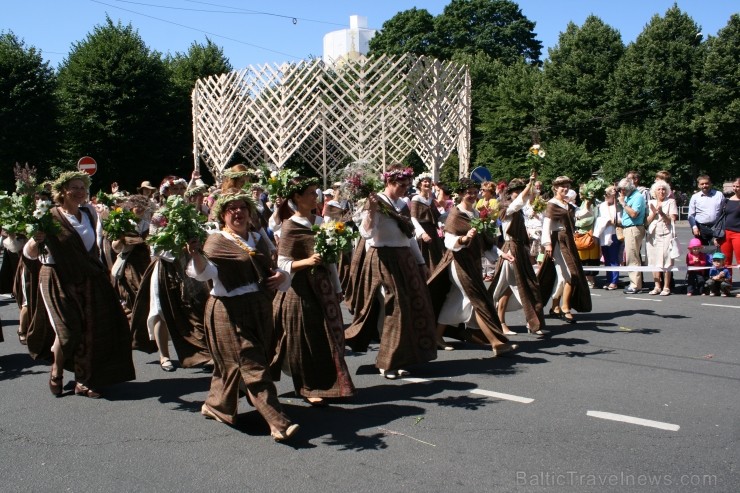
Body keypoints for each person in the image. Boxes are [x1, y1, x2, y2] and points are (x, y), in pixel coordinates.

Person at [186, 190, 299, 440]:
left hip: (259, 307)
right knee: (251, 363)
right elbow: (205, 274)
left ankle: (216, 405)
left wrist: (282, 276)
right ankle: (277, 421)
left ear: (250, 212)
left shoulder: (259, 238)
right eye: (231, 209)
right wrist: (195, 255)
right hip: (228, 310)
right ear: (222, 215)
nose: (237, 212)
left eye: (242, 208)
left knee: (242, 362)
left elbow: (275, 267)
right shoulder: (216, 240)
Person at [23, 171, 135, 398]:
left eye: (82, 187)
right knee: (68, 330)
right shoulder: (49, 216)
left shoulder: (90, 213)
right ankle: (56, 370)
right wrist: (37, 238)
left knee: (90, 330)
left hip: (88, 277)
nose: (79, 192)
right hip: (56, 277)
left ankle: (84, 380)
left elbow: (98, 247)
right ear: (62, 191)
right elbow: (29, 253)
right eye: (74, 187)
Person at [345, 165, 437, 380]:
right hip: (383, 259)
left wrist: (421, 263)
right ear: (389, 182)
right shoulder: (376, 201)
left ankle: (400, 357)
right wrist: (373, 210)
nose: (406, 189)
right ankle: (388, 361)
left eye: (407, 185)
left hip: (404, 259)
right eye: (402, 185)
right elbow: (367, 234)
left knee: (408, 308)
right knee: (394, 308)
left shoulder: (402, 204)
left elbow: (409, 236)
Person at [271, 177, 355, 406]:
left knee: (329, 336)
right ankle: (307, 387)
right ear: (296, 198)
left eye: (315, 192)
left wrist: (338, 288)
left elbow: (330, 262)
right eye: (309, 192)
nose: (314, 196)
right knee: (304, 338)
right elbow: (283, 264)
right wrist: (307, 261)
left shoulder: (322, 222)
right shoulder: (289, 226)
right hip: (301, 290)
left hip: (324, 287)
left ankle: (330, 383)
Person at [427, 178, 518, 353]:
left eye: (475, 192)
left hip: (473, 263)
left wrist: (501, 253)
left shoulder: (476, 214)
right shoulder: (455, 214)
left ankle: (437, 336)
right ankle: (496, 343)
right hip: (459, 264)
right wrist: (464, 239)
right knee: (477, 300)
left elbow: (484, 242)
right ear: (460, 194)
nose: (472, 195)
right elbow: (449, 240)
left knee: (454, 301)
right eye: (468, 192)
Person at [130, 176, 211, 372]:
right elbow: (155, 246)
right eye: (175, 190)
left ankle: (202, 353)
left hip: (188, 265)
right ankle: (164, 355)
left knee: (198, 305)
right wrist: (177, 248)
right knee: (159, 311)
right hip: (165, 267)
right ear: (166, 193)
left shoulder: (188, 213)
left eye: (181, 190)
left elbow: (201, 234)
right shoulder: (159, 215)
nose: (179, 193)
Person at [489, 174, 546, 336]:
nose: (519, 193)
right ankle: (528, 321)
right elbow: (519, 202)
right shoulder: (506, 208)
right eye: (516, 191)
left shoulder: (519, 210)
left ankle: (505, 321)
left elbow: (526, 202)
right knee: (518, 287)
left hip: (519, 250)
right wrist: (530, 184)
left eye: (520, 190)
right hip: (510, 251)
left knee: (508, 288)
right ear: (509, 192)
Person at [538, 176, 592, 323]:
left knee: (563, 277)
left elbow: (582, 215)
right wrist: (547, 243)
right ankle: (565, 307)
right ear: (555, 188)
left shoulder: (568, 204)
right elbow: (547, 224)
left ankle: (556, 306)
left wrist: (588, 201)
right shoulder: (552, 204)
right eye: (562, 186)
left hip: (568, 240)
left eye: (567, 186)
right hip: (558, 241)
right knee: (570, 274)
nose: (565, 188)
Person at [110, 194, 153, 320]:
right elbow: (115, 247)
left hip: (146, 263)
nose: (139, 209)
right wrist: (122, 239)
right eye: (136, 206)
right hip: (131, 264)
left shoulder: (148, 224)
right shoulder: (124, 223)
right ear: (131, 207)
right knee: (133, 294)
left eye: (142, 206)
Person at [645, 180, 678, 296]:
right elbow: (647, 221)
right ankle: (657, 286)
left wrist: (662, 213)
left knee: (666, 261)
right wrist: (654, 213)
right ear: (655, 191)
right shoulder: (651, 202)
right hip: (653, 235)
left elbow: (672, 219)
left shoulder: (671, 202)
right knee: (654, 261)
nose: (661, 191)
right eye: (659, 189)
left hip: (666, 233)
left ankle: (666, 287)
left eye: (663, 189)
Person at [410, 172, 445, 276]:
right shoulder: (416, 199)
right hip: (423, 231)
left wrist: (451, 213)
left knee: (436, 256)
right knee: (424, 257)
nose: (427, 183)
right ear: (420, 184)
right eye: (425, 181)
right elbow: (413, 218)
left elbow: (438, 216)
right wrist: (422, 233)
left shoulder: (430, 200)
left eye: (429, 181)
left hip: (432, 232)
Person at [617, 177, 647, 294]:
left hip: (634, 228)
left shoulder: (637, 197)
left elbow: (634, 213)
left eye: (622, 189)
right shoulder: (629, 196)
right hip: (628, 228)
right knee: (631, 256)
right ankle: (634, 283)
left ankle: (635, 285)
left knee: (632, 257)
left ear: (629, 188)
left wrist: (623, 203)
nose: (621, 191)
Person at [575, 183, 601, 289]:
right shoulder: (583, 203)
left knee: (589, 259)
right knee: (582, 258)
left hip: (589, 235)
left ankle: (591, 280)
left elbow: (590, 219)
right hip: (582, 234)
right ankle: (586, 280)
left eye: (581, 191)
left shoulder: (591, 204)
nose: (579, 193)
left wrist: (577, 222)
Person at [688, 175, 726, 246]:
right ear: (699, 185)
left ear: (710, 183)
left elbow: (724, 212)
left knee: (716, 252)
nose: (704, 185)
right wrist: (694, 227)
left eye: (706, 183)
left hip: (716, 228)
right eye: (702, 184)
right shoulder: (695, 197)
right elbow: (691, 215)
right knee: (702, 252)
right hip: (701, 228)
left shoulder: (719, 195)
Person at [596, 186, 622, 290]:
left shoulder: (618, 206)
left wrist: (610, 221)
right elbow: (599, 218)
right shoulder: (602, 205)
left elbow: (620, 220)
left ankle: (614, 281)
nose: (605, 196)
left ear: (614, 196)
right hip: (604, 234)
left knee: (614, 258)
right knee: (606, 258)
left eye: (608, 194)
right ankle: (608, 279)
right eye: (605, 194)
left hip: (614, 234)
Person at [717, 177, 740, 292]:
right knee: (726, 261)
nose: (735, 189)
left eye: (738, 187)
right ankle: (727, 285)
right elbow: (722, 217)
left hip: (738, 234)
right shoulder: (727, 200)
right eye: (734, 186)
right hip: (726, 233)